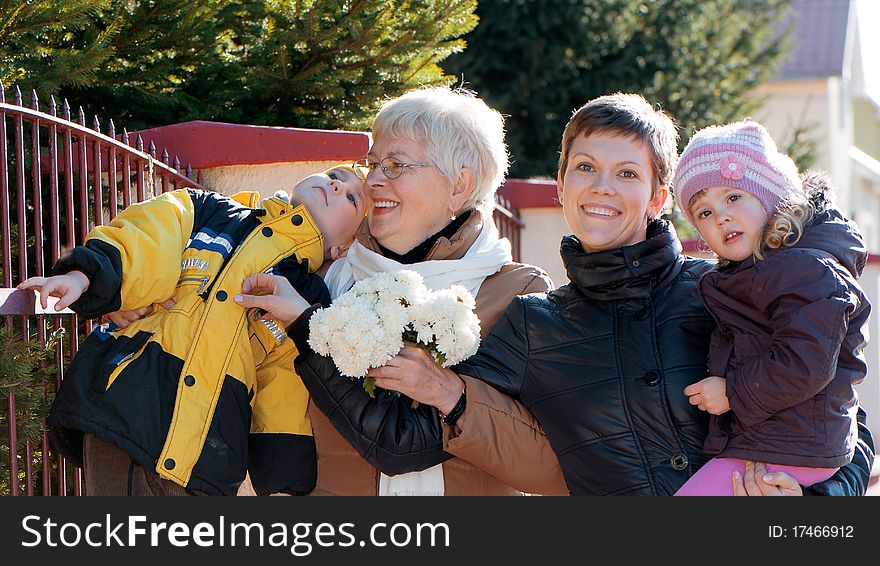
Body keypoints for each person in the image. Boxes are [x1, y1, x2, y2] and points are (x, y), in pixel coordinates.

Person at [240, 93, 873, 496]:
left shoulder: (715, 294)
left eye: (627, 173)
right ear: (563, 188)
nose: (602, 187)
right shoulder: (531, 321)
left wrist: (818, 501)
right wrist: (317, 333)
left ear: (658, 199)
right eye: (585, 169)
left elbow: (843, 414)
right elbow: (402, 441)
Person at [234, 86, 568, 496]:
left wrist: (453, 394)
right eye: (372, 163)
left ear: (459, 186)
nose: (372, 181)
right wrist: (142, 304)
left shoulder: (517, 292)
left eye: (395, 165)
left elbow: (548, 466)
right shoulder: (324, 276)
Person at [18, 165, 367, 495]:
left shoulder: (307, 300)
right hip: (129, 414)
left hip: (207, 456)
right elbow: (146, 239)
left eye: (352, 198)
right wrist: (83, 276)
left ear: (343, 248)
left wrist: (283, 479)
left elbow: (283, 384)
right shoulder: (208, 211)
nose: (337, 185)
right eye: (336, 176)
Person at [671, 121, 869, 495]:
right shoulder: (758, 273)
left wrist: (733, 392)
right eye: (704, 213)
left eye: (733, 198)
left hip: (792, 449)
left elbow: (808, 363)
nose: (721, 217)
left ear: (773, 196)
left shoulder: (805, 268)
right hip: (777, 442)